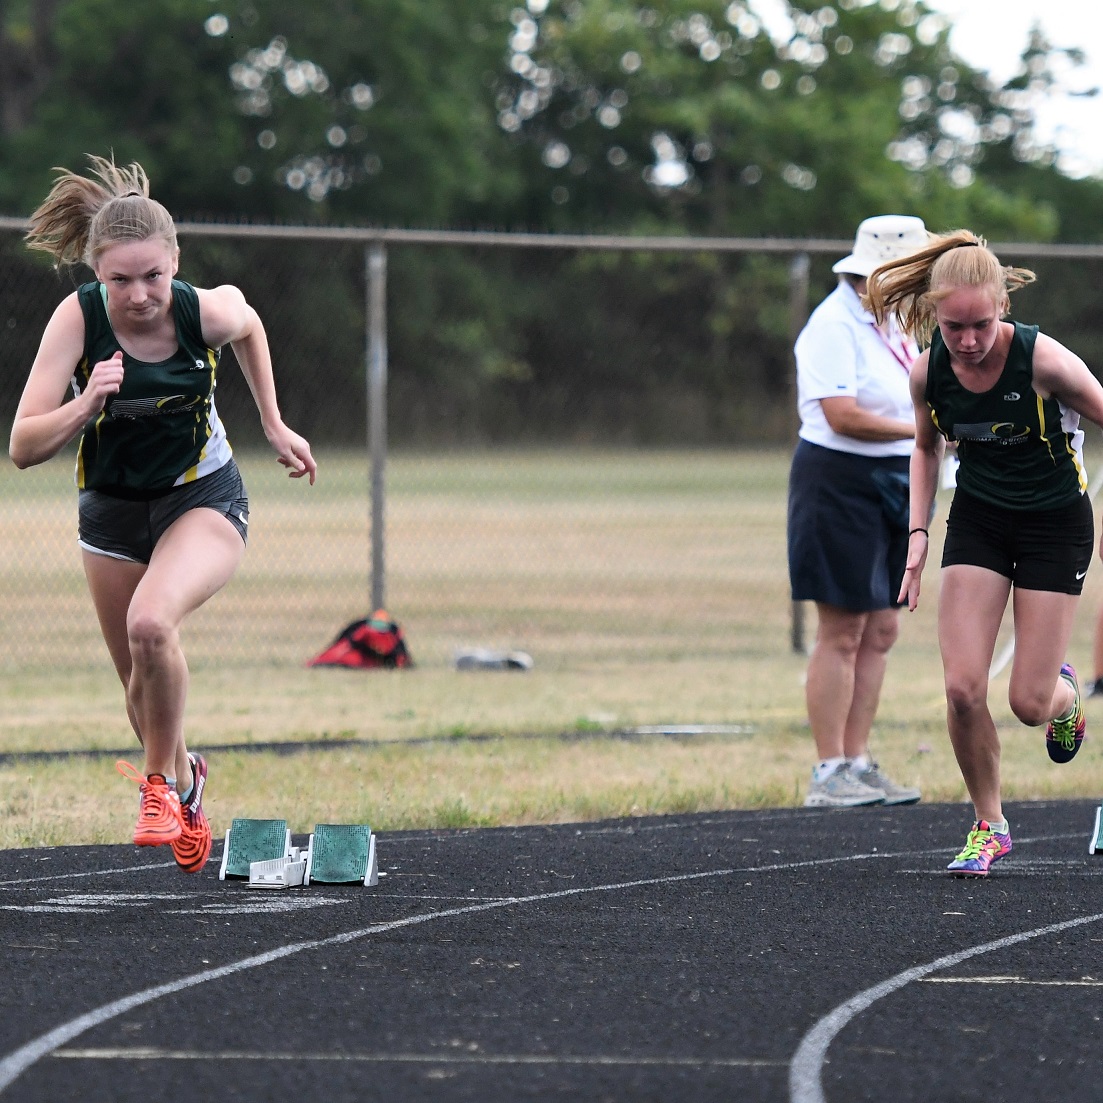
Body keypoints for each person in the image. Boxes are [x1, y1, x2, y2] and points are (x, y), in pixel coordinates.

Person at [9, 155, 317, 873]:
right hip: (112, 516)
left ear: (174, 263)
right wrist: (86, 404)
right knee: (139, 692)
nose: (140, 294)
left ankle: (156, 789)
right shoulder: (77, 320)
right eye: (120, 279)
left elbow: (250, 322)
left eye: (153, 275)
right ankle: (186, 782)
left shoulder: (198, 309)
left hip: (201, 497)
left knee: (152, 624)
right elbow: (23, 447)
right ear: (96, 275)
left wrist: (273, 423)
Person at [867, 228, 1103, 876]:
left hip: (1054, 522)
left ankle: (1064, 698)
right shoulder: (929, 372)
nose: (966, 342)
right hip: (977, 521)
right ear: (935, 317)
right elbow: (923, 448)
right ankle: (988, 823)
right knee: (962, 687)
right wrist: (917, 539)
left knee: (1026, 703)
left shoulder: (1043, 361)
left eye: (977, 325)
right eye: (951, 328)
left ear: (1000, 306)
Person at [788, 215, 928, 808]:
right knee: (842, 630)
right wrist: (923, 429)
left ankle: (858, 758)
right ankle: (829, 769)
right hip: (839, 480)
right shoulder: (832, 324)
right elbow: (841, 414)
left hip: (895, 478)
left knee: (882, 627)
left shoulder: (895, 324)